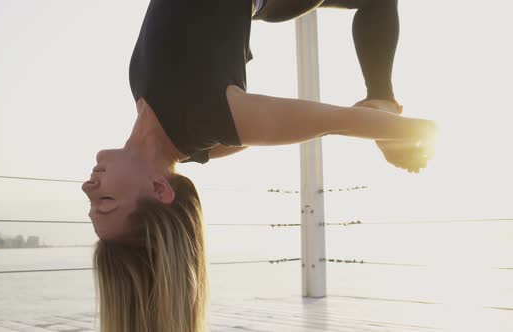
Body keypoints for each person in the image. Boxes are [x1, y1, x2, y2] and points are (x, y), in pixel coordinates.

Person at [82, 0, 436, 331]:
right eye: (106, 203)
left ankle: (380, 100)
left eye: (91, 205)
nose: (88, 188)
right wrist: (394, 130)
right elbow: (335, 121)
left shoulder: (180, 129)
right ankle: (382, 100)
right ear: (159, 189)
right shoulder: (207, 117)